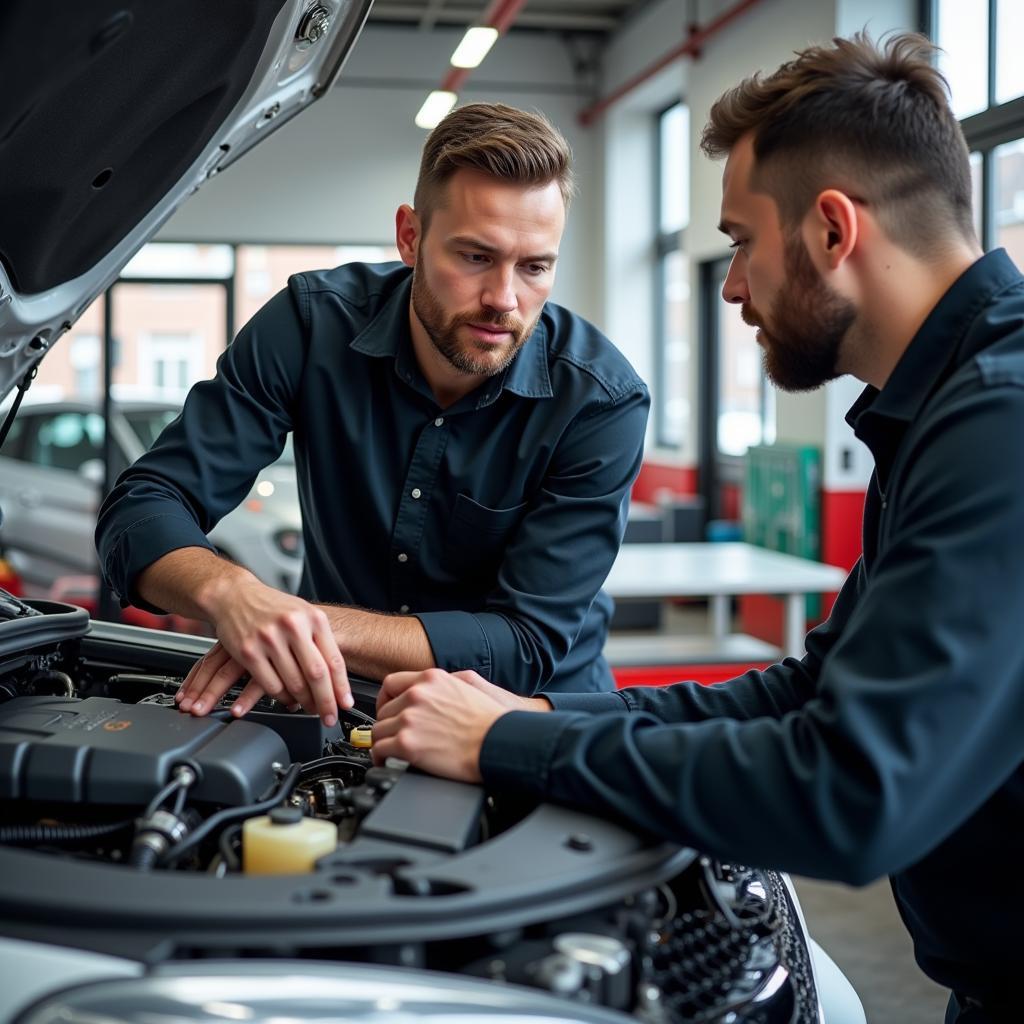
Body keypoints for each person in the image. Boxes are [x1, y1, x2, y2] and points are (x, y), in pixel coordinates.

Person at [372, 34, 1024, 1023]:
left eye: (739, 243)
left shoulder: (1000, 422)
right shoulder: (941, 412)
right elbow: (809, 691)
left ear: (832, 230)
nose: (730, 288)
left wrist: (510, 746)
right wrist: (546, 721)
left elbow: (850, 793)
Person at [95, 102, 649, 726]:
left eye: (535, 267)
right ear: (410, 237)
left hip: (523, 715)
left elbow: (521, 646)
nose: (504, 299)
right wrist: (232, 594)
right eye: (474, 257)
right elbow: (143, 505)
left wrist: (302, 623)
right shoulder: (309, 326)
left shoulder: (600, 399)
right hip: (337, 698)